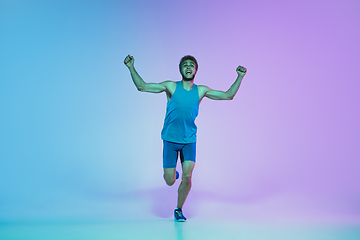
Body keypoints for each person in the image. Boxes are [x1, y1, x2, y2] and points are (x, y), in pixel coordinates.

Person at [124, 55, 247, 221]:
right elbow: (142, 86)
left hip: (189, 140)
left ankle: (178, 209)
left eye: (191, 65)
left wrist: (239, 76)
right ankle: (172, 174)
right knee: (169, 181)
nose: (188, 67)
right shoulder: (171, 86)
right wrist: (131, 67)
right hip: (170, 139)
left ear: (196, 70)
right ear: (180, 69)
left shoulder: (201, 90)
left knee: (187, 176)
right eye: (185, 65)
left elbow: (228, 95)